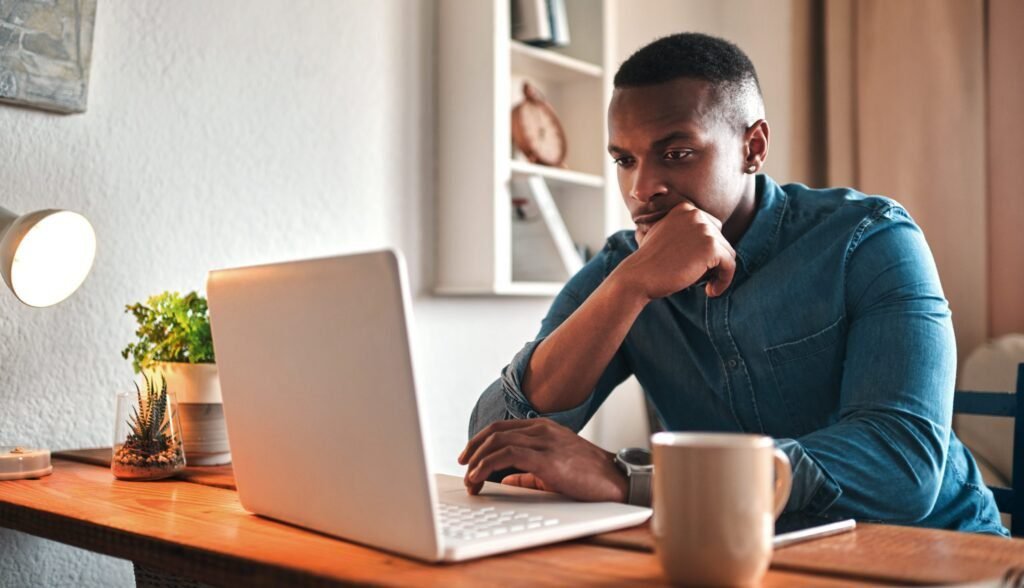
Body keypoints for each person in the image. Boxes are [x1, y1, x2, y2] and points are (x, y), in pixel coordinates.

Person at [457, 32, 1007, 536]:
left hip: (934, 549)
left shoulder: (870, 241)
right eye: (625, 160)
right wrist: (627, 291)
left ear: (753, 147)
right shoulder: (623, 270)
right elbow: (492, 449)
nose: (641, 188)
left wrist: (640, 481)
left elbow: (901, 467)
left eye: (677, 154)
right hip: (741, 551)